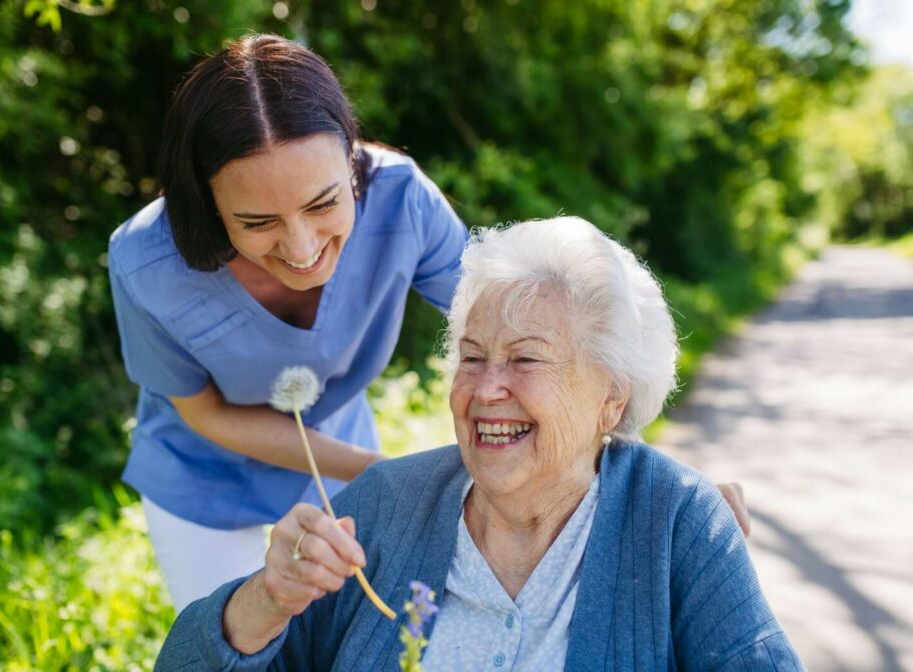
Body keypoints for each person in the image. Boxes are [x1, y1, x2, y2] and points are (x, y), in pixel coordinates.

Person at [109, 34, 750, 614]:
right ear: (205, 200)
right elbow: (207, 415)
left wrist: (670, 488)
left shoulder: (402, 199)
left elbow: (554, 341)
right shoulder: (144, 262)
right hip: (201, 478)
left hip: (338, 443)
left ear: (351, 158)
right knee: (240, 643)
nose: (301, 248)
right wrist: (385, 476)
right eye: (257, 224)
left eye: (324, 203)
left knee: (357, 641)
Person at [154, 217, 801, 671]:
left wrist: (682, 508)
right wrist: (266, 600)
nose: (486, 388)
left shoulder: (679, 523)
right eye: (471, 357)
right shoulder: (380, 508)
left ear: (614, 396)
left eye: (525, 360)